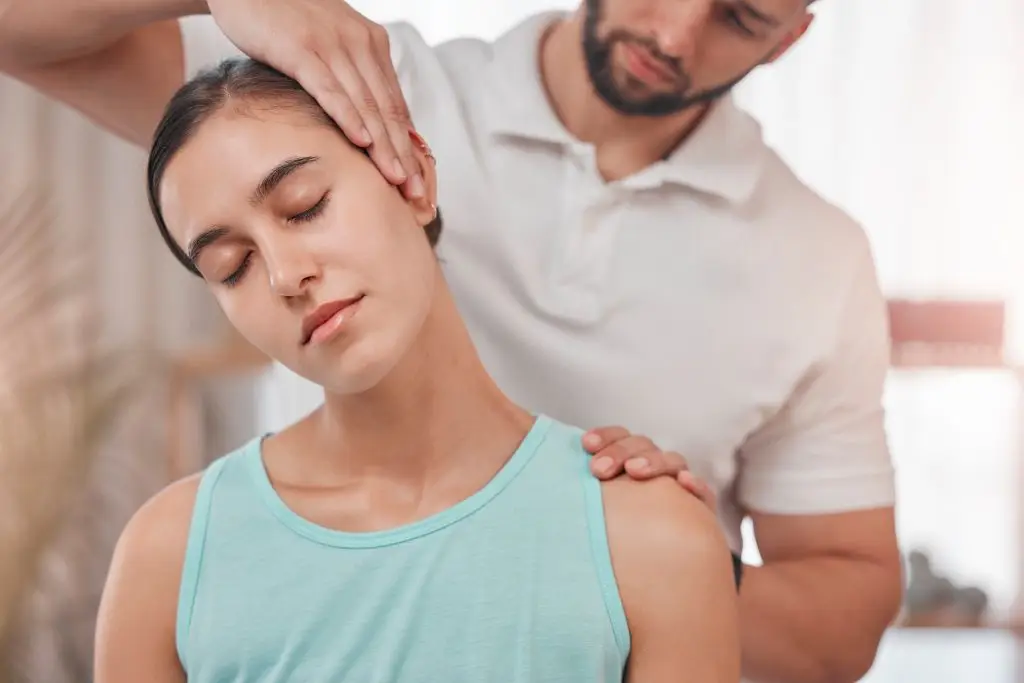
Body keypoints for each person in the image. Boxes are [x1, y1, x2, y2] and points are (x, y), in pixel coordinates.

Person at [0, 1, 903, 681]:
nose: (672, 32)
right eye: (231, 264)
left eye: (739, 15)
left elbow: (849, 611)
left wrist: (638, 556)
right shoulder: (364, 85)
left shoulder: (814, 260)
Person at [93, 57, 740, 682]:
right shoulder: (170, 554)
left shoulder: (650, 536)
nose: (286, 276)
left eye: (305, 205)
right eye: (232, 267)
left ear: (414, 176)